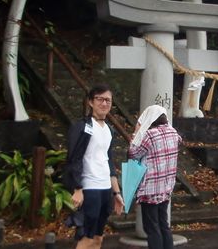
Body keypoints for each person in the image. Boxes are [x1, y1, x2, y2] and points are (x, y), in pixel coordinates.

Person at [64, 84, 124, 249]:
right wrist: (77, 188)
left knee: (98, 238)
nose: (104, 103)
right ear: (90, 102)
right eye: (100, 99)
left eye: (108, 100)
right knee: (87, 238)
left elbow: (109, 161)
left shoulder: (109, 130)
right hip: (89, 188)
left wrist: (116, 192)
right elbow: (73, 158)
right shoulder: (83, 127)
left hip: (105, 189)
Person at [128, 105, 181, 249]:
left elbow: (133, 154)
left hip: (150, 189)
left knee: (152, 228)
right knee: (164, 225)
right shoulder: (174, 133)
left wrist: (136, 134)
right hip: (166, 188)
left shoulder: (150, 135)